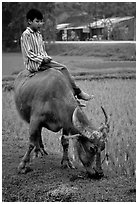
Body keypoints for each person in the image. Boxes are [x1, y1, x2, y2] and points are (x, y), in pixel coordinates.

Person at [21, 8, 91, 101]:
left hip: (42, 61)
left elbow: (42, 50)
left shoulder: (38, 34)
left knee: (59, 74)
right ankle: (78, 92)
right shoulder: (26, 35)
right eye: (37, 21)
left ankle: (71, 96)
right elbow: (29, 53)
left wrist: (46, 57)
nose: (40, 24)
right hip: (34, 64)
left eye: (41, 22)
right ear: (29, 21)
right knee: (63, 69)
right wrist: (42, 60)